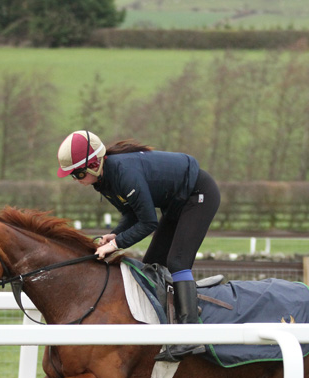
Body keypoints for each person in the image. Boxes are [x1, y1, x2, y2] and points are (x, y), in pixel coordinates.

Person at [57, 130, 221, 362]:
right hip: (176, 203)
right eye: (72, 175)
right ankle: (172, 319)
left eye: (78, 173)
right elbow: (132, 215)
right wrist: (114, 234)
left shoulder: (123, 173)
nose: (76, 179)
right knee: (152, 264)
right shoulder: (104, 180)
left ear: (93, 165)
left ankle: (190, 335)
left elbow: (148, 223)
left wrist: (115, 245)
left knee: (177, 261)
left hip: (198, 194)